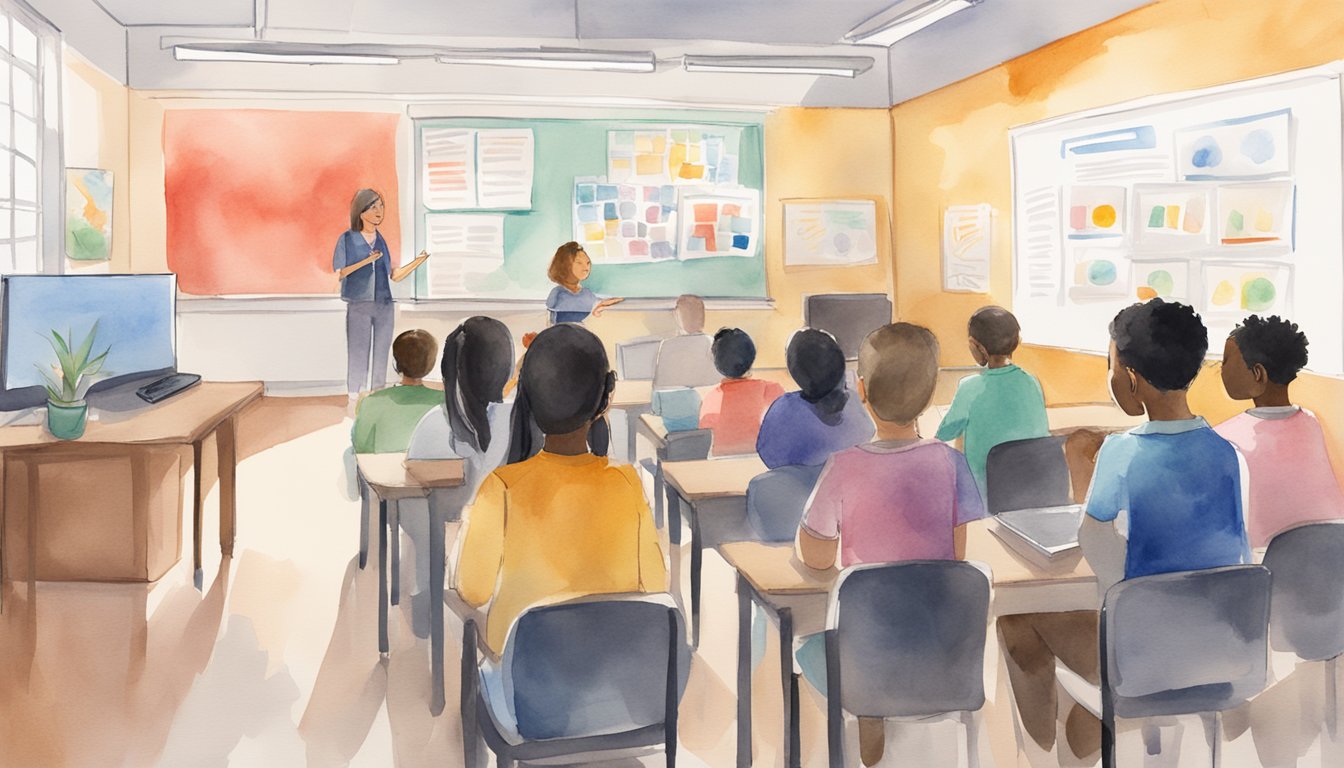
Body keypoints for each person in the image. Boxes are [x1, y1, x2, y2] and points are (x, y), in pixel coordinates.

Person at [999, 298, 1250, 758]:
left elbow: (1095, 544)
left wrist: (1132, 585)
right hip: (1219, 650)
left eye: (1110, 364)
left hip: (1144, 654)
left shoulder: (1121, 452)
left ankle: (1039, 754)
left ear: (1131, 377)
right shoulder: (1226, 453)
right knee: (1091, 711)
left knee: (1016, 622)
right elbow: (1232, 550)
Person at [793, 322, 985, 767]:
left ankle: (869, 716)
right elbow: (954, 557)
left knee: (807, 647)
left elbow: (817, 558)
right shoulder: (952, 463)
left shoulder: (843, 468)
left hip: (866, 655)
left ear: (860, 390)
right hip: (943, 654)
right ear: (933, 391)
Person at [453, 323, 666, 655]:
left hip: (526, 682)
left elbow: (472, 590)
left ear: (527, 397)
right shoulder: (627, 482)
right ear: (606, 397)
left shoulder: (502, 488)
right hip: (613, 672)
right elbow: (655, 583)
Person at [1214, 315, 1344, 547]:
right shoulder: (1310, 422)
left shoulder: (1225, 437)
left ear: (1257, 374)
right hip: (1328, 551)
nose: (1219, 369)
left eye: (1225, 361)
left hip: (1263, 559)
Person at [935, 305, 1049, 496]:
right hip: (1029, 484)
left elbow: (944, 434)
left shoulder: (970, 387)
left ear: (975, 345)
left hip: (984, 489)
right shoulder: (1031, 381)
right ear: (1017, 341)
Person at [333, 189, 429, 398]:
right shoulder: (348, 239)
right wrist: (367, 261)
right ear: (361, 211)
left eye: (381, 206)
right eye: (373, 206)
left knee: (382, 353)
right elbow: (340, 272)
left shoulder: (380, 240)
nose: (379, 211)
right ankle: (353, 395)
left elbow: (393, 275)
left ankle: (377, 393)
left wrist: (418, 261)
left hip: (384, 304)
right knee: (358, 352)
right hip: (358, 304)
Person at [756, 328, 875, 469]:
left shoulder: (783, 410)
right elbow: (868, 434)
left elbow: (768, 455)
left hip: (795, 486)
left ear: (794, 372)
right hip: (845, 484)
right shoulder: (854, 404)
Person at [350, 329, 441, 454]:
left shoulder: (372, 401)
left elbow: (360, 446)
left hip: (381, 469)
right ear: (432, 363)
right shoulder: (446, 402)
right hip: (431, 469)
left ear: (396, 362)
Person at [699, 327, 784, 456]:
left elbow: (706, 439)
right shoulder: (772, 390)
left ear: (717, 364)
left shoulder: (710, 399)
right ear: (752, 356)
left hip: (721, 467)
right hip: (763, 463)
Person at [544, 242, 623, 324]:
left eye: (588, 263)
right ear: (564, 265)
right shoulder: (557, 293)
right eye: (579, 263)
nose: (586, 268)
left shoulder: (587, 293)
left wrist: (600, 305)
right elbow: (551, 319)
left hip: (582, 332)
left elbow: (593, 307)